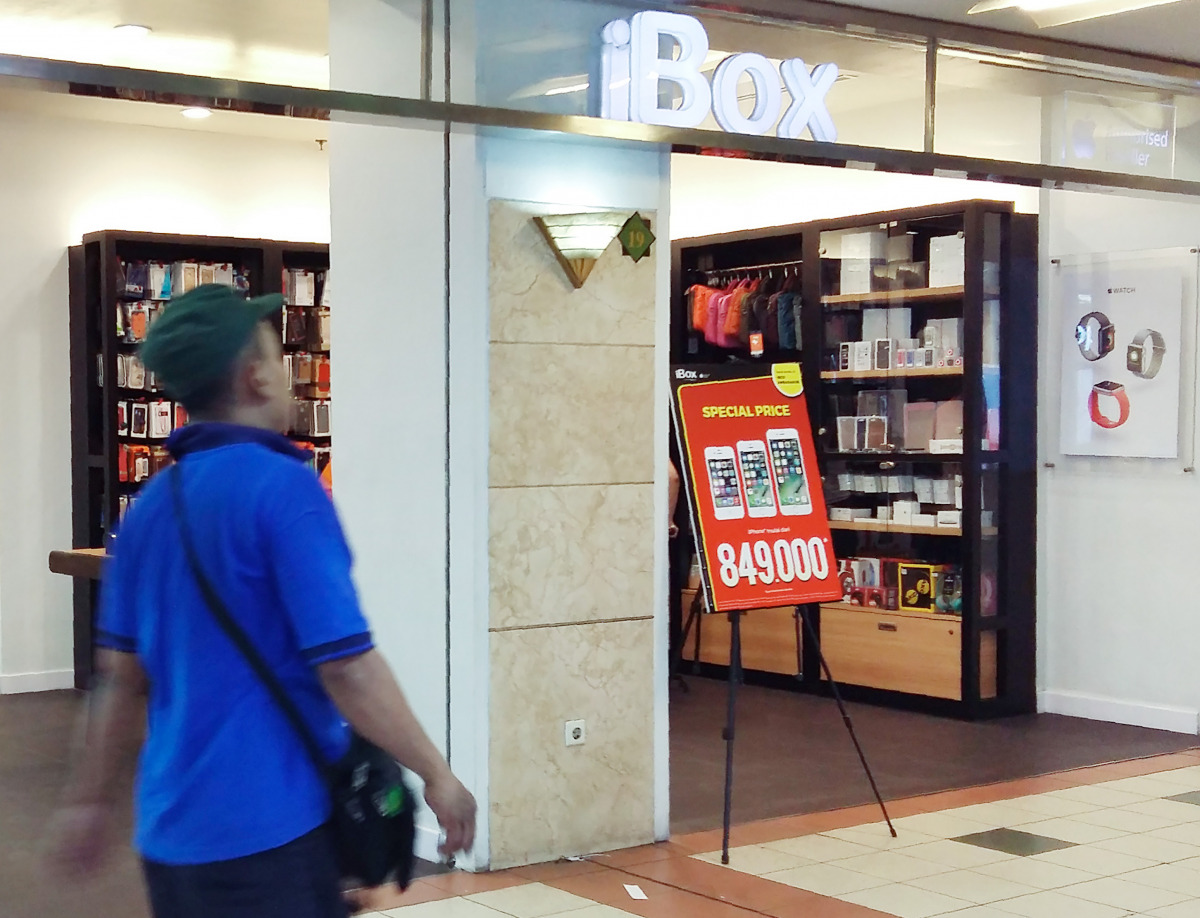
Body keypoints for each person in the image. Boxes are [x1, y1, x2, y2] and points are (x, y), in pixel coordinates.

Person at [46, 284, 476, 918]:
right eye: (278, 359)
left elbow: (118, 681)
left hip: (171, 835)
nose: (290, 378)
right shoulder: (285, 491)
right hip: (270, 830)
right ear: (254, 378)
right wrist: (437, 774)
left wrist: (89, 800)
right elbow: (347, 667)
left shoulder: (151, 509)